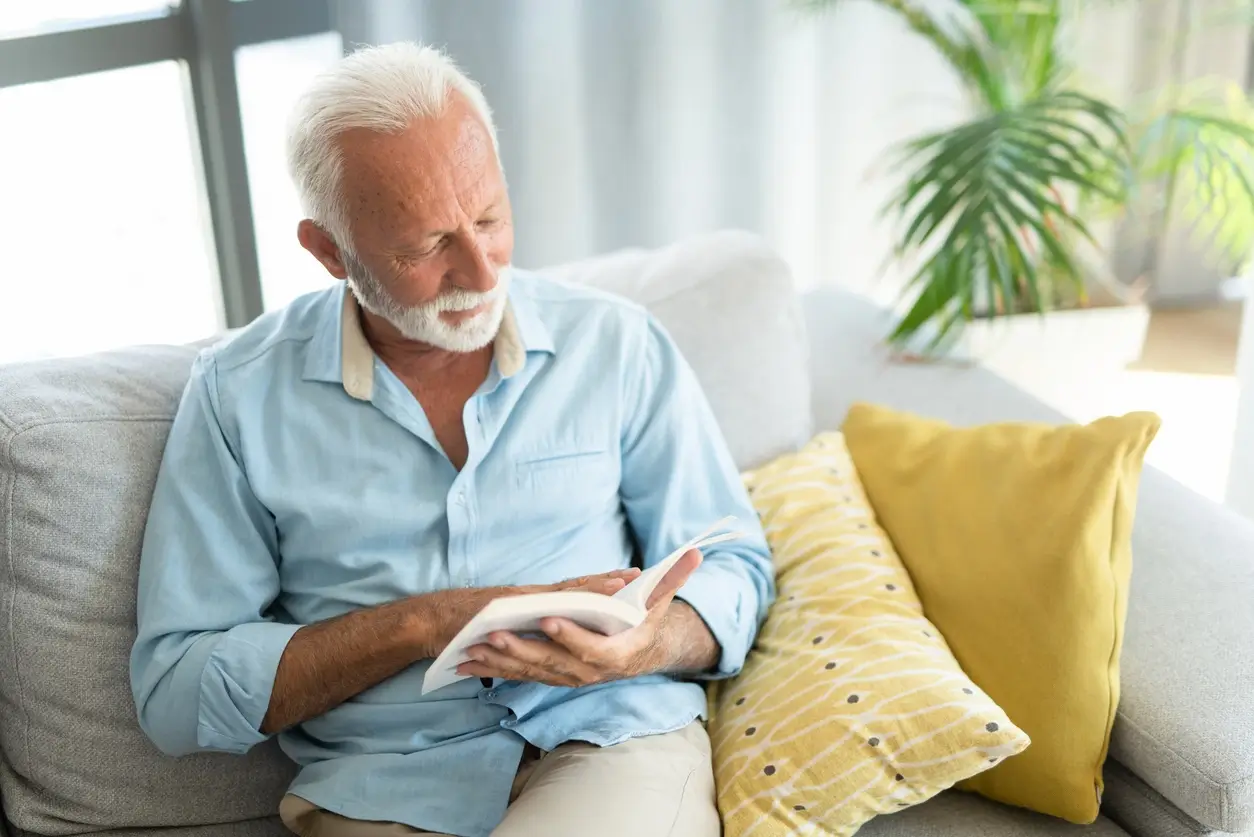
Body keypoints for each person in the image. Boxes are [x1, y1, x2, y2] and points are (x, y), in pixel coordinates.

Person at [130, 41, 773, 837]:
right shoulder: (238, 395)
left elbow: (736, 564)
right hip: (385, 783)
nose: (478, 270)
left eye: (490, 218)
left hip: (607, 737)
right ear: (329, 250)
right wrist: (426, 622)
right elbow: (175, 689)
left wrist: (647, 643)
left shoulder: (617, 347)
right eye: (427, 246)